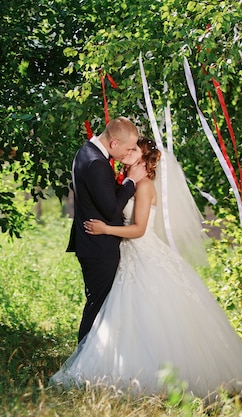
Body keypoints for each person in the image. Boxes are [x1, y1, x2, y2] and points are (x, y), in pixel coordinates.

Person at [52, 137, 242, 401]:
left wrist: (106, 229)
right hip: (129, 255)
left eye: (134, 150)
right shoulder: (129, 183)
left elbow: (139, 229)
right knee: (125, 316)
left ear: (144, 159)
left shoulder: (144, 187)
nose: (128, 152)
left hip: (142, 252)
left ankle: (161, 381)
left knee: (149, 314)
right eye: (128, 147)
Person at [67, 116, 147, 343]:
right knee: (98, 307)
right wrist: (130, 181)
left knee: (101, 304)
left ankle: (94, 361)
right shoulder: (96, 163)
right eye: (129, 148)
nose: (129, 152)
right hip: (98, 246)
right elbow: (111, 209)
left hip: (92, 244)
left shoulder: (86, 151)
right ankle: (82, 362)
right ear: (114, 144)